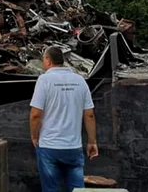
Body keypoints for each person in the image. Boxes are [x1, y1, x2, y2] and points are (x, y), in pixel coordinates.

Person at [29, 46, 97, 192]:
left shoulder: (44, 80)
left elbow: (35, 114)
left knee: (51, 189)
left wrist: (34, 136)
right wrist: (92, 141)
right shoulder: (80, 80)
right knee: (77, 189)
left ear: (48, 60)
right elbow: (89, 115)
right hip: (73, 148)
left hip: (49, 147)